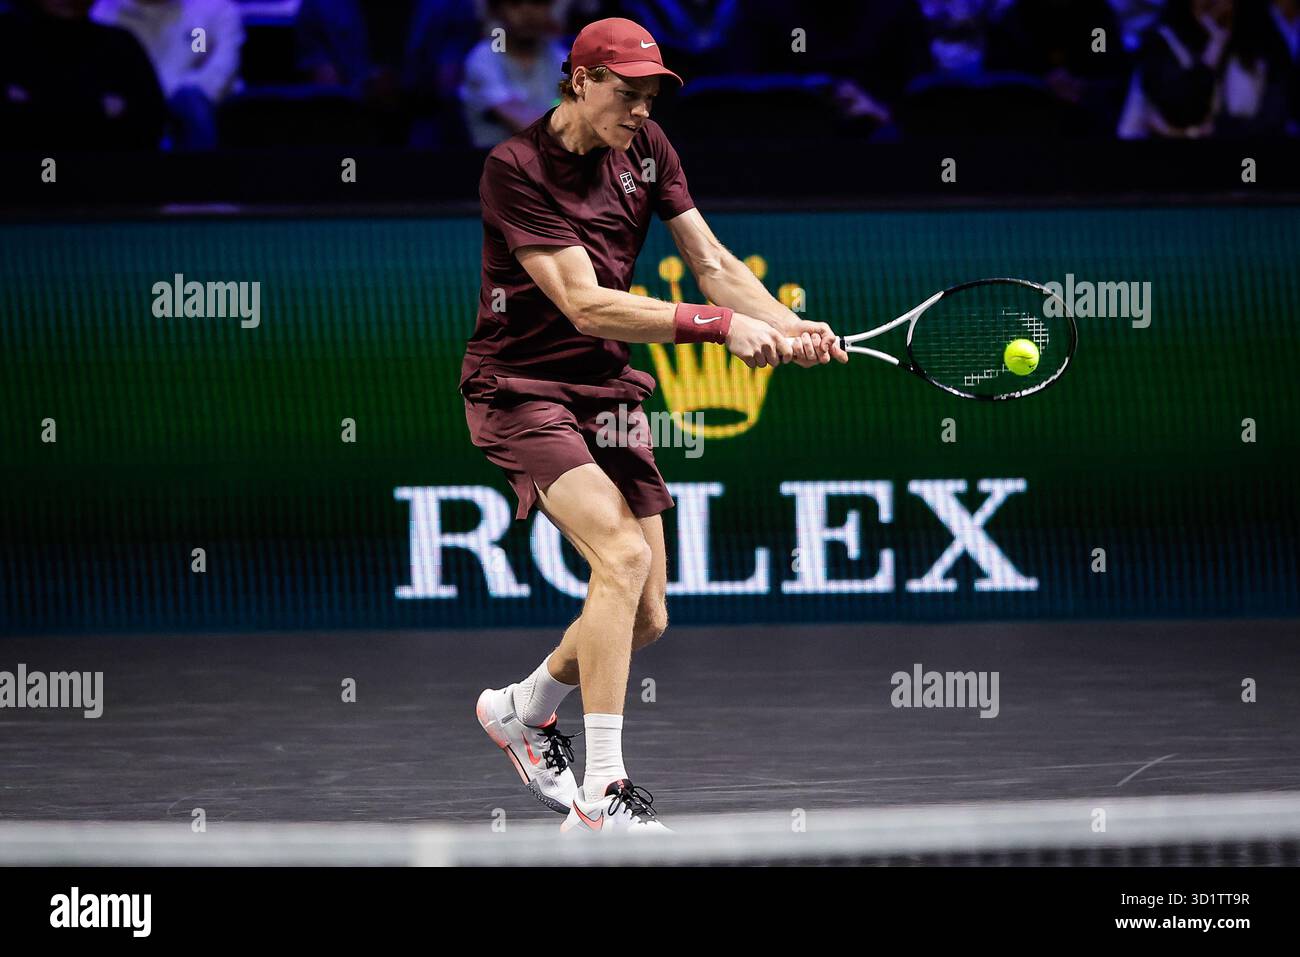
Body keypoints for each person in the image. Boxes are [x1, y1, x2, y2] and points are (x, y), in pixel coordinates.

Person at [465, 17, 847, 836]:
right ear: (578, 81)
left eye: (650, 96)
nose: (641, 109)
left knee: (644, 614)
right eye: (626, 93)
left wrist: (788, 325)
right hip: (521, 387)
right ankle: (602, 794)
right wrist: (716, 329)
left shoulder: (650, 149)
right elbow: (582, 301)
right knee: (623, 554)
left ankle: (521, 709)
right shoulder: (515, 168)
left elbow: (710, 262)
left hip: (605, 388)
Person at [0, 0, 166, 150]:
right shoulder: (7, 39)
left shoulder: (120, 45)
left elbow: (148, 126)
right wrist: (98, 111)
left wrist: (36, 106)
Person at [91, 0, 244, 150]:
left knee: (191, 101)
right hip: (127, 111)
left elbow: (218, 76)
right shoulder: (103, 12)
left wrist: (154, 96)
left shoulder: (211, 10)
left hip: (188, 109)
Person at [460, 0, 568, 148]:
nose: (528, 12)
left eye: (537, 3)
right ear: (496, 11)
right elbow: (525, 124)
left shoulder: (560, 56)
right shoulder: (484, 58)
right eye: (515, 3)